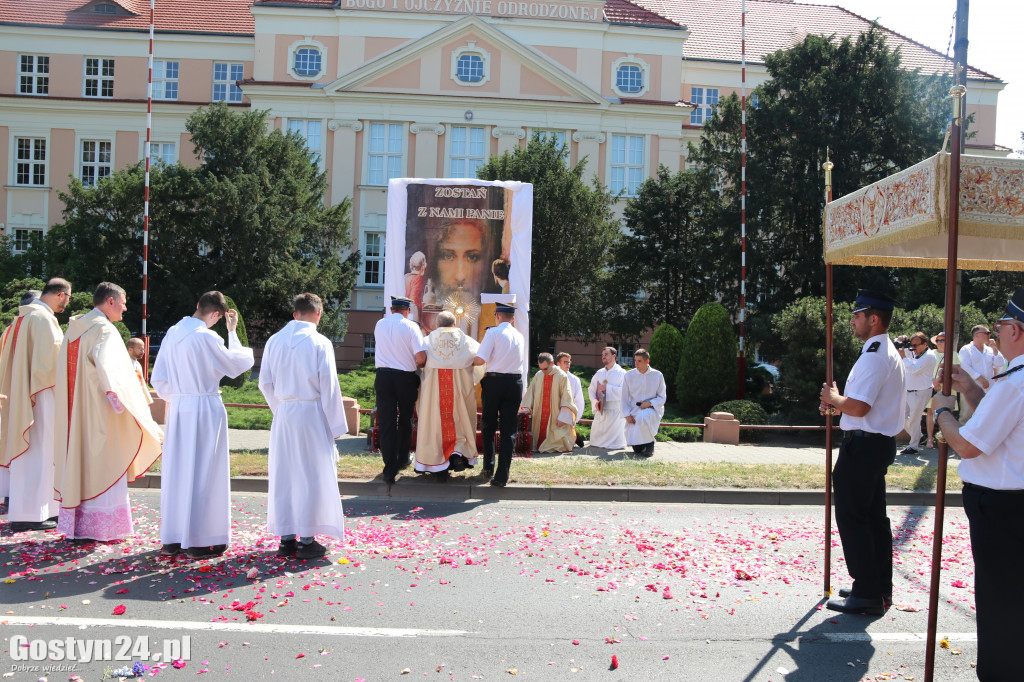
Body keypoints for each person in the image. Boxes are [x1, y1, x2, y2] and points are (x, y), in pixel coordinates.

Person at [930, 287, 1024, 680]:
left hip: (1003, 510)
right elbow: (1002, 426)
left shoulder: (1016, 380)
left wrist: (942, 414)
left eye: (1001, 325)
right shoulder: (1013, 380)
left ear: (1016, 330)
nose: (997, 332)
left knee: (1001, 603)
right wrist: (970, 387)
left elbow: (969, 445)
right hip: (1010, 505)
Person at [53, 282, 163, 543]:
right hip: (101, 410)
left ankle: (78, 527)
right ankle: (102, 528)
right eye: (123, 302)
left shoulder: (75, 328)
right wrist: (121, 401)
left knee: (80, 459)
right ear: (110, 301)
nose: (126, 308)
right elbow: (110, 370)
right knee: (107, 460)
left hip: (76, 408)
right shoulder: (105, 330)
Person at [819, 289, 906, 615]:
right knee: (872, 520)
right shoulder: (881, 350)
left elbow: (859, 405)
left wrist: (835, 398)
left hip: (865, 446)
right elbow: (858, 407)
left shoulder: (875, 354)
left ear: (874, 319)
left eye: (858, 314)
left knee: (855, 518)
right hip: (873, 443)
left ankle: (867, 590)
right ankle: (877, 587)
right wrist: (838, 403)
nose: (852, 319)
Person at [151, 291, 254, 558]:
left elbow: (159, 379)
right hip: (204, 406)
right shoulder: (207, 336)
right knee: (205, 471)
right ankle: (201, 539)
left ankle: (172, 538)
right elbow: (237, 365)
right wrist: (232, 333)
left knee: (179, 471)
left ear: (197, 305)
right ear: (217, 314)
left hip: (180, 407)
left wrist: (181, 398)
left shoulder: (173, 332)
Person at [259, 293, 345, 560]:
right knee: (311, 475)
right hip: (311, 414)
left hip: (284, 414)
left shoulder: (274, 341)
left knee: (285, 475)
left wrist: (282, 408)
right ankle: (307, 540)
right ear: (318, 314)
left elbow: (265, 383)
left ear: (295, 313)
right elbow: (329, 387)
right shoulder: (320, 342)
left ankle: (286, 540)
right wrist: (336, 427)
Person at [0, 278, 71, 532]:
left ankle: (39, 510)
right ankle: (30, 514)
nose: (67, 303)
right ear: (61, 294)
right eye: (68, 298)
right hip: (41, 394)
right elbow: (51, 363)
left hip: (24, 391)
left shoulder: (21, 319)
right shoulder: (42, 319)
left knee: (35, 453)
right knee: (41, 450)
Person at [415, 311, 481, 478]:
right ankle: (458, 454)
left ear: (437, 325)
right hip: (459, 390)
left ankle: (437, 464)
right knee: (459, 421)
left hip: (434, 392)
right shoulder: (465, 340)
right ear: (454, 324)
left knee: (434, 424)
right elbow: (480, 359)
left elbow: (418, 359)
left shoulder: (427, 340)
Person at [373, 296, 427, 486]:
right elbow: (421, 357)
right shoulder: (411, 326)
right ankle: (403, 457)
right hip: (404, 377)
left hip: (383, 377)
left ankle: (389, 467)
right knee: (405, 419)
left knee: (387, 421)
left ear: (391, 308)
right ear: (407, 310)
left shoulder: (380, 324)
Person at [473, 302, 526, 487]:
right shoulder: (519, 335)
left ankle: (488, 466)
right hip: (515, 383)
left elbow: (480, 359)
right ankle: (502, 474)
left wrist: (466, 358)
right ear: (512, 319)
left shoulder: (493, 332)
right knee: (509, 430)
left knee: (488, 425)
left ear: (497, 316)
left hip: (495, 382)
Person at [521, 352, 577, 453]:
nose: (543, 371)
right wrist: (525, 408)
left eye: (545, 369)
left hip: (555, 417)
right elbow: (530, 393)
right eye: (541, 368)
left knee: (554, 442)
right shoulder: (539, 375)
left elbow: (567, 398)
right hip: (539, 415)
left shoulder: (562, 376)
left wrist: (563, 417)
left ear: (552, 363)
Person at [897, 332, 937, 455]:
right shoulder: (913, 352)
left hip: (921, 392)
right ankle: (919, 436)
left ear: (925, 344)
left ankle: (913, 446)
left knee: (915, 419)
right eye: (911, 344)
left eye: (916, 345)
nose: (913, 347)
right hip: (908, 390)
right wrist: (900, 339)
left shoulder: (929, 357)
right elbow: (896, 345)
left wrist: (903, 357)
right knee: (900, 417)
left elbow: (914, 370)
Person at [621, 349, 666, 457]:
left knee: (644, 416)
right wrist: (627, 414)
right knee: (637, 449)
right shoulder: (629, 375)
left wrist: (650, 403)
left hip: (653, 409)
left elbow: (662, 397)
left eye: (639, 361)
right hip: (634, 410)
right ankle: (642, 445)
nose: (636, 363)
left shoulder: (657, 375)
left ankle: (650, 445)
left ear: (647, 361)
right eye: (635, 360)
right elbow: (624, 398)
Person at [958, 324, 1004, 422]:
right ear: (977, 335)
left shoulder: (990, 349)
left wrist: (995, 349)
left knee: (987, 417)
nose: (989, 335)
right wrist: (980, 378)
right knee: (966, 417)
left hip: (988, 389)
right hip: (971, 389)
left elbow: (1000, 364)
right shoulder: (966, 349)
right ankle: (962, 437)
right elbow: (965, 367)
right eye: (987, 333)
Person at [588, 347, 627, 450]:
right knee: (596, 443)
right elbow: (591, 389)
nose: (603, 357)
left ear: (614, 356)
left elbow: (625, 392)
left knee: (615, 445)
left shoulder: (622, 373)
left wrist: (608, 388)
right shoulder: (599, 373)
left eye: (606, 354)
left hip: (615, 413)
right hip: (601, 410)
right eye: (602, 355)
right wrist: (595, 402)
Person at [925, 331, 958, 449]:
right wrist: (934, 382)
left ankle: (945, 438)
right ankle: (930, 439)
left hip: (948, 386)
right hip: (932, 386)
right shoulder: (931, 353)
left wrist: (941, 381)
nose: (939, 343)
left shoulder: (953, 354)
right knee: (930, 412)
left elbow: (956, 370)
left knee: (947, 414)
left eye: (942, 340)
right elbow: (926, 370)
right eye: (937, 340)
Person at [555, 352, 586, 448]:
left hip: (567, 418)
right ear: (558, 364)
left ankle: (575, 436)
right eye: (565, 362)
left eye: (569, 362)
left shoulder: (575, 380)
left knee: (567, 443)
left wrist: (573, 421)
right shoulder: (551, 377)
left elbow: (579, 402)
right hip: (553, 415)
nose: (568, 364)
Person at [405, 251, 427, 322]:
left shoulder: (406, 276)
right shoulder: (418, 278)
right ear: (423, 266)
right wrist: (416, 322)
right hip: (412, 312)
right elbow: (413, 301)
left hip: (404, 309)